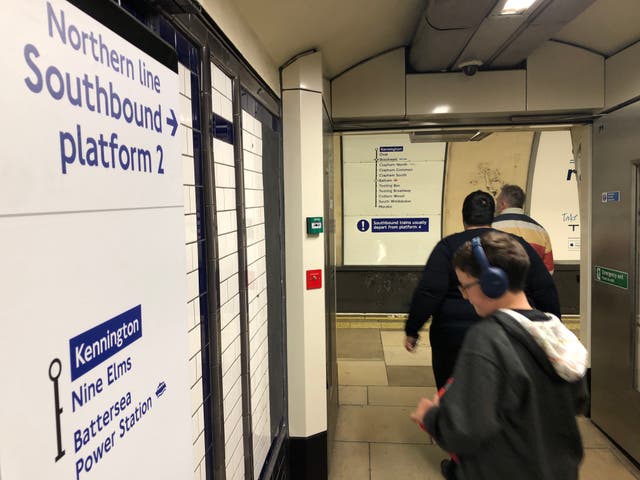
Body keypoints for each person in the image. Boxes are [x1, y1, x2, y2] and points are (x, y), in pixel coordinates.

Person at [410, 231, 587, 480]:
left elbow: (463, 432)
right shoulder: (556, 331)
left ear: (493, 283)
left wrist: (430, 416)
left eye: (466, 286)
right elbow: (578, 401)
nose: (464, 295)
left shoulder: (488, 338)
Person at [404, 190, 560, 390]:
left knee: (452, 391)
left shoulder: (447, 247)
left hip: (452, 338)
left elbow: (429, 291)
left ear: (463, 217)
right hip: (509, 331)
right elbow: (544, 288)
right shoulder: (514, 244)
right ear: (492, 216)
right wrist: (553, 326)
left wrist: (412, 330)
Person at [492, 184, 554, 274]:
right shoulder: (541, 231)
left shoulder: (492, 226)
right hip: (531, 287)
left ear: (502, 204)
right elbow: (549, 270)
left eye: (497, 202)